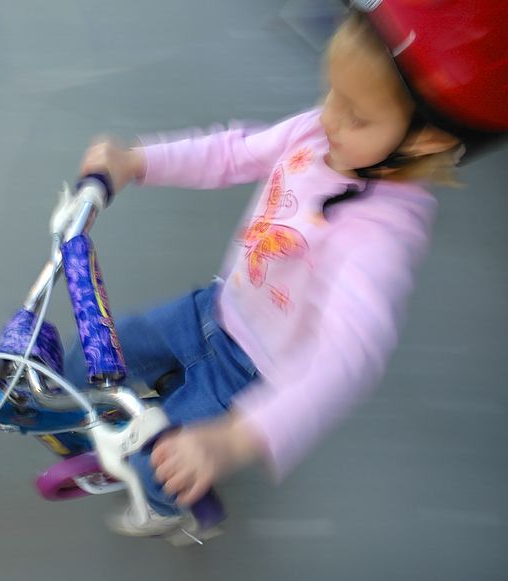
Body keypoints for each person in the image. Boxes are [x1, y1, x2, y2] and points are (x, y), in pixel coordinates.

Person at [63, 0, 508, 538]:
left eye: (356, 114)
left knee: (161, 468)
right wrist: (137, 161)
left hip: (250, 375)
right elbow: (231, 153)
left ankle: (162, 508)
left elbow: (347, 358)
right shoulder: (317, 135)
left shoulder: (381, 234)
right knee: (96, 353)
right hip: (212, 310)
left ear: (426, 138)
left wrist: (233, 439)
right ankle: (71, 412)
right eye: (330, 93)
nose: (328, 119)